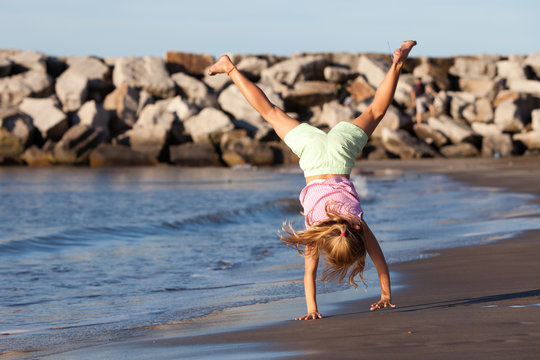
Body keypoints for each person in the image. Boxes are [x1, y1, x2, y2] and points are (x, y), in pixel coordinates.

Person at [208, 40, 417, 320]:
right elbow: (309, 273)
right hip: (313, 155)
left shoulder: (355, 222)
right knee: (270, 113)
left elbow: (379, 260)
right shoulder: (315, 229)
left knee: (375, 111)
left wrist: (386, 293)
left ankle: (397, 63)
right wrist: (312, 309)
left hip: (340, 152)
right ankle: (229, 67)